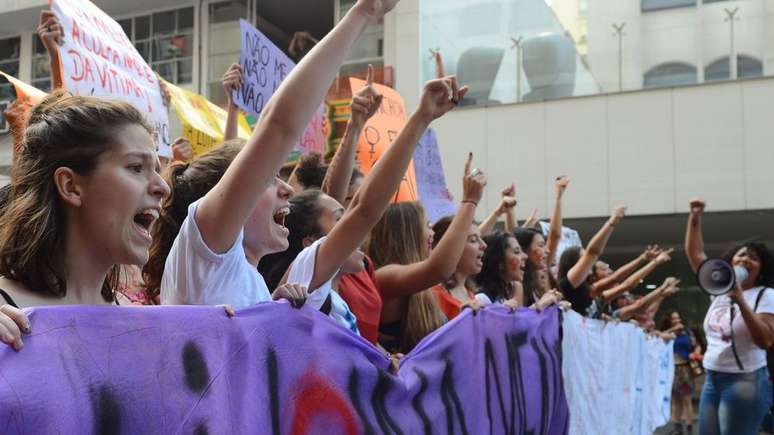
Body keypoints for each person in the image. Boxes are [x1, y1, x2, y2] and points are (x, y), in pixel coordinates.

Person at [157, 0, 401, 309]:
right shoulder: (204, 254)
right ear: (227, 194)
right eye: (269, 180)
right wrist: (364, 12)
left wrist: (274, 311)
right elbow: (278, 127)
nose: (287, 189)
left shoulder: (253, 280)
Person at [260, 73, 469, 333]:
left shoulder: (341, 292)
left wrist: (381, 357)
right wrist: (420, 119)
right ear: (310, 243)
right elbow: (364, 208)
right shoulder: (304, 280)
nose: (353, 221)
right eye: (340, 217)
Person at [0, 91, 171, 350]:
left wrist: (214, 331)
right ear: (71, 186)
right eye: (136, 167)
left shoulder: (137, 325)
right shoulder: (4, 316)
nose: (163, 187)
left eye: (157, 171)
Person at [368, 154, 486, 353]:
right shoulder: (384, 277)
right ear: (406, 234)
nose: (432, 232)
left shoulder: (426, 288)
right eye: (426, 225)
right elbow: (439, 269)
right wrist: (469, 202)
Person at [685, 198, 774, 435]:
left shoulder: (766, 295)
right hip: (712, 380)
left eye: (753, 258)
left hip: (745, 381)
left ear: (761, 269)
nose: (745, 259)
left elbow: (765, 340)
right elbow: (696, 255)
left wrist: (740, 300)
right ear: (731, 260)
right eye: (741, 254)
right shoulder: (719, 289)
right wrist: (695, 218)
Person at [557, 206, 626, 316]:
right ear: (573, 263)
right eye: (583, 258)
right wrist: (611, 222)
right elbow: (593, 252)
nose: (590, 262)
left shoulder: (588, 286)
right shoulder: (569, 283)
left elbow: (620, 281)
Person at [430, 216, 486, 320]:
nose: (484, 245)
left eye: (481, 239)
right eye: (473, 240)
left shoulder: (470, 294)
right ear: (451, 247)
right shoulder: (433, 296)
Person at [661, 310, 703, 435]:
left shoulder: (687, 332)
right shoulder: (668, 333)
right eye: (674, 319)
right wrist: (673, 330)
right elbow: (659, 337)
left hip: (685, 369)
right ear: (669, 321)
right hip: (672, 369)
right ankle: (677, 428)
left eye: (678, 318)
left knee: (686, 400)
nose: (677, 321)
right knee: (675, 400)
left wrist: (696, 353)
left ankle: (689, 428)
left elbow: (697, 344)